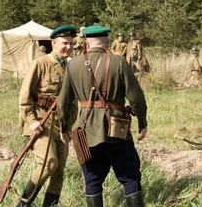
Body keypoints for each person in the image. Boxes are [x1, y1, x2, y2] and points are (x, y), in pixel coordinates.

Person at [58, 25, 148, 207]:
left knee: (92, 181)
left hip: (86, 131)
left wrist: (64, 127)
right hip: (117, 130)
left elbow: (64, 102)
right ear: (107, 42)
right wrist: (142, 121)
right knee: (130, 177)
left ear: (87, 43)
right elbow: (136, 97)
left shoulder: (72, 65)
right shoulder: (118, 61)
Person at [17, 25, 79, 207]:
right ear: (54, 43)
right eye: (64, 43)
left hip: (61, 126)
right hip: (40, 123)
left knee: (59, 172)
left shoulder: (71, 68)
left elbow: (73, 103)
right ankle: (22, 205)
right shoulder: (41, 63)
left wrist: (68, 126)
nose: (69, 47)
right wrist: (31, 121)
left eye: (71, 43)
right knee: (49, 163)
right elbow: (25, 96)